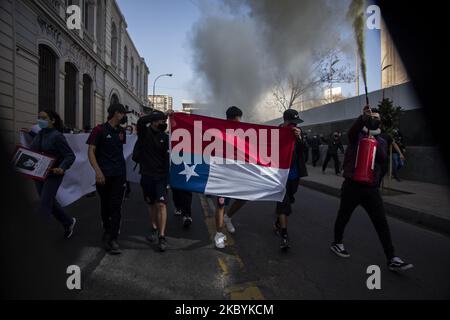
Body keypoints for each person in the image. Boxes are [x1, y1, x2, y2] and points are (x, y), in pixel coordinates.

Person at [330, 107, 413, 272]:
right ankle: (337, 243)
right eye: (371, 117)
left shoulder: (381, 140)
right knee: (343, 216)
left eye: (376, 118)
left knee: (381, 222)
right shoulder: (356, 136)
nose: (374, 119)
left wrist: (374, 141)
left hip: (371, 189)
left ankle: (391, 258)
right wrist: (362, 119)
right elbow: (352, 132)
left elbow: (382, 158)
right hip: (352, 186)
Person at [87, 103, 130, 255]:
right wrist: (98, 171)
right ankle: (107, 230)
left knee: (116, 206)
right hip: (103, 176)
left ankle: (113, 238)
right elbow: (91, 151)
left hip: (119, 175)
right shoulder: (99, 130)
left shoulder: (121, 132)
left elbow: (119, 153)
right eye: (123, 113)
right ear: (116, 113)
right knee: (105, 206)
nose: (124, 116)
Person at [29, 110, 76, 238]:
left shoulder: (58, 136)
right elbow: (32, 150)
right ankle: (68, 222)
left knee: (44, 204)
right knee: (49, 202)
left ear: (52, 120)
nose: (40, 120)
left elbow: (69, 156)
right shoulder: (40, 134)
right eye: (39, 118)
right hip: (39, 174)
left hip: (53, 175)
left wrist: (62, 168)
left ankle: (38, 237)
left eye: (43, 118)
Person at [133, 110, 170, 252]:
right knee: (151, 204)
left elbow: (167, 160)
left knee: (161, 204)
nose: (163, 123)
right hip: (147, 175)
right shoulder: (144, 133)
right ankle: (154, 227)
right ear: (154, 121)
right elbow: (141, 122)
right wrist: (160, 114)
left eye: (164, 121)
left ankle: (162, 236)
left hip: (160, 177)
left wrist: (168, 179)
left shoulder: (165, 137)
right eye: (160, 121)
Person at [273, 109, 308, 250]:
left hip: (294, 174)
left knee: (290, 199)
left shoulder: (298, 132)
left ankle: (278, 222)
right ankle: (284, 235)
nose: (295, 126)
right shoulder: (276, 132)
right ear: (285, 121)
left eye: (296, 123)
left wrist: (299, 138)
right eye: (292, 122)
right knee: (283, 202)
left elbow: (303, 150)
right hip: (281, 174)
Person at [214, 106, 247, 249]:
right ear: (231, 119)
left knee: (245, 197)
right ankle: (219, 235)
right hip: (222, 174)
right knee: (221, 204)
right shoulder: (219, 131)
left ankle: (228, 218)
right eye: (236, 120)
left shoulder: (243, 133)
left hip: (237, 173)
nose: (238, 123)